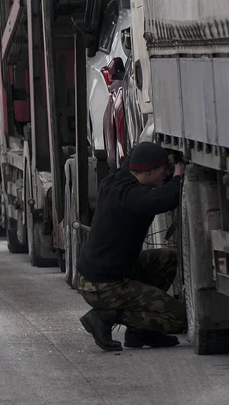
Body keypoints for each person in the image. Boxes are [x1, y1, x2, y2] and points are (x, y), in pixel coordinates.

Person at [75, 141, 187, 351]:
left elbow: (136, 155)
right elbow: (163, 199)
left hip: (109, 272)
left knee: (166, 259)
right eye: (164, 170)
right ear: (149, 171)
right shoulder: (132, 197)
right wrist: (179, 177)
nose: (167, 174)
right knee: (179, 318)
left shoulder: (118, 179)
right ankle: (105, 317)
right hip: (103, 286)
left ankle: (141, 333)